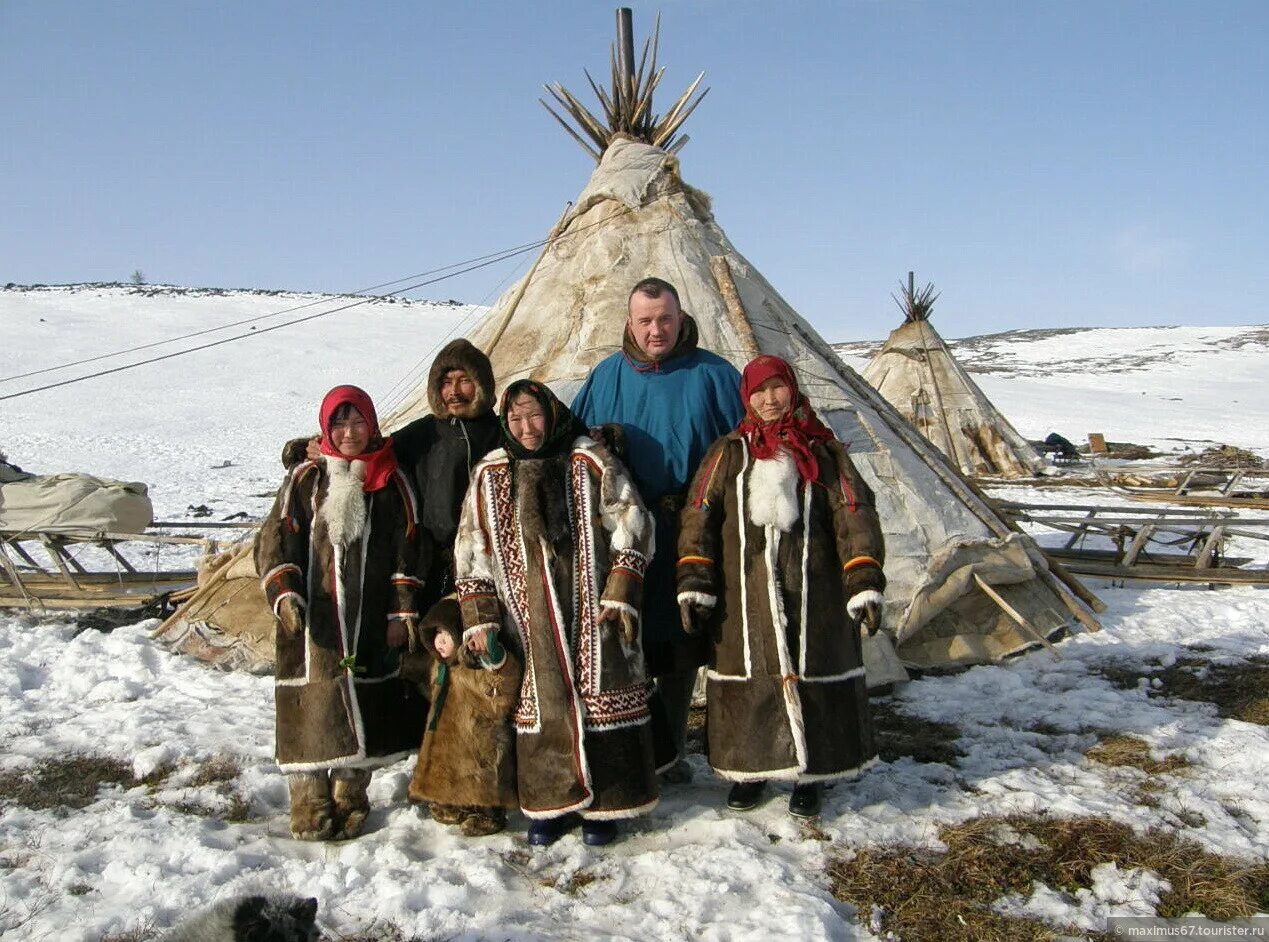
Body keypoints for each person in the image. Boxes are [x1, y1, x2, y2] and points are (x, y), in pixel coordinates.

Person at [676, 355, 885, 818]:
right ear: (746, 398)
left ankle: (812, 774)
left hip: (817, 592)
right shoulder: (729, 452)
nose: (769, 400)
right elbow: (699, 514)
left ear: (792, 390)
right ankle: (751, 769)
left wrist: (863, 576)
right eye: (759, 392)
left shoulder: (825, 452)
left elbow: (853, 513)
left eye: (777, 389)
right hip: (745, 595)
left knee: (812, 672)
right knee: (752, 677)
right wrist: (695, 577)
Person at [454, 379, 658, 846]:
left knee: (599, 697)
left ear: (553, 413)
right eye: (515, 418)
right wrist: (480, 616)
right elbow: (471, 547)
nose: (527, 427)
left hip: (593, 608)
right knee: (540, 700)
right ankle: (551, 802)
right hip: (527, 617)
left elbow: (632, 519)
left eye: (535, 415)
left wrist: (621, 587)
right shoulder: (491, 474)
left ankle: (605, 806)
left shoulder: (588, 459)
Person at [570, 277, 743, 780]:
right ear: (629, 322)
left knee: (683, 636)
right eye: (644, 321)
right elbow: (569, 441)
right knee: (627, 637)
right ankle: (629, 747)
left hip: (691, 528)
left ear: (681, 317)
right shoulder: (606, 376)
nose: (655, 330)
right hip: (624, 532)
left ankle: (671, 753)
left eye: (664, 319)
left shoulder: (713, 374)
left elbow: (747, 443)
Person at [257, 384, 429, 840]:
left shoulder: (392, 481)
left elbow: (407, 548)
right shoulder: (305, 479)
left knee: (363, 702)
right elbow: (276, 538)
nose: (349, 432)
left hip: (369, 619)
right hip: (312, 619)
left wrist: (400, 612)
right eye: (340, 423)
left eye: (357, 422)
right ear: (326, 428)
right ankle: (309, 801)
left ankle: (350, 797)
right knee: (312, 703)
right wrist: (284, 592)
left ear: (371, 424)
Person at [284, 339, 501, 611]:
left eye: (464, 380)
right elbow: (370, 451)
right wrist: (305, 448)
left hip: (489, 560)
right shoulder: (424, 433)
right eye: (446, 382)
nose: (454, 391)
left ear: (482, 384)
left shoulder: (505, 433)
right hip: (432, 564)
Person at [406, 598, 521, 837]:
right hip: (445, 739)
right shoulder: (440, 667)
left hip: (477, 739)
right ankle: (447, 801)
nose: (439, 640)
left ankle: (486, 813)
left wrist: (497, 660)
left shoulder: (476, 671)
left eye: (446, 633)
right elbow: (419, 673)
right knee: (446, 766)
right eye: (436, 634)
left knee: (479, 775)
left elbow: (502, 685)